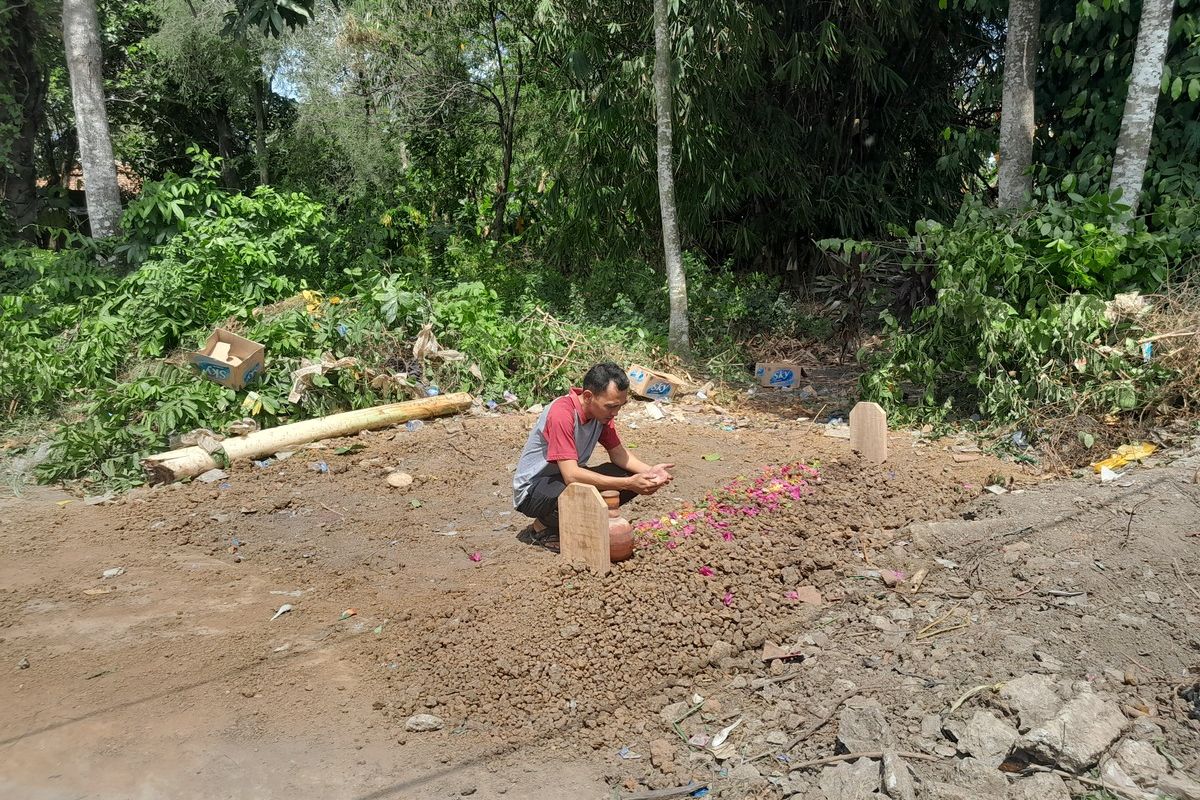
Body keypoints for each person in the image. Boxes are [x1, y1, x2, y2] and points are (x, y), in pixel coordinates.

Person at [513, 362, 674, 549]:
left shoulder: (602, 415)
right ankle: (541, 526)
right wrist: (629, 484)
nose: (615, 413)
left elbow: (618, 454)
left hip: (563, 480)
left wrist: (650, 472)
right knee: (615, 482)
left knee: (626, 474)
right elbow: (571, 475)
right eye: (611, 406)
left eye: (620, 406)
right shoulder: (562, 413)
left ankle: (576, 521)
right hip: (534, 490)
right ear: (588, 396)